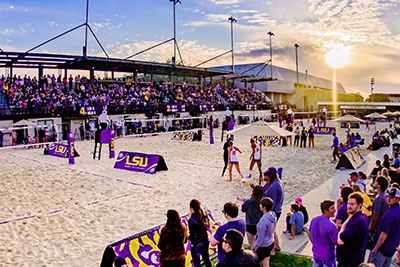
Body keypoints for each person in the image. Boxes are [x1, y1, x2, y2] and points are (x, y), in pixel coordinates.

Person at [337, 192, 369, 267]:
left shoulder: (356, 221)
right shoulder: (363, 216)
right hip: (357, 259)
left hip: (349, 261)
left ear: (360, 205)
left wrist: (342, 228)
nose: (349, 206)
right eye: (348, 203)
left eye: (352, 204)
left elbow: (340, 239)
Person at [370, 188, 400, 267]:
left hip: (382, 248)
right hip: (392, 248)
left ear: (397, 199)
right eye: (388, 197)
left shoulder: (390, 213)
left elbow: (384, 233)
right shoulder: (397, 210)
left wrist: (376, 248)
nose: (388, 199)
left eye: (391, 198)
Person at [309, 200, 338, 267]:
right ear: (325, 210)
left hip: (316, 253)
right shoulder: (332, 226)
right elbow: (335, 242)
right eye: (332, 208)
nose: (335, 210)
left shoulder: (314, 220)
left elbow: (310, 234)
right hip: (328, 256)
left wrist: (316, 244)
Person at [261, 167, 284, 251]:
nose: (264, 176)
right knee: (272, 230)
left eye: (266, 175)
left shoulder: (274, 186)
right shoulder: (274, 182)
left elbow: (271, 201)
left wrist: (267, 212)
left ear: (270, 175)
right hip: (277, 209)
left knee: (269, 231)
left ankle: (272, 249)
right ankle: (276, 246)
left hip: (274, 210)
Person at [188, 199, 211, 267]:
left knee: (196, 263)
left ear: (191, 209)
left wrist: (188, 238)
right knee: (207, 259)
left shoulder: (191, 220)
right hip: (205, 240)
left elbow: (193, 234)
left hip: (196, 244)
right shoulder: (204, 215)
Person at [254, 197, 276, 267]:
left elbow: (261, 236)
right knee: (266, 263)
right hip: (270, 242)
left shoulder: (263, 221)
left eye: (261, 204)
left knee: (254, 263)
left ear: (264, 207)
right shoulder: (273, 215)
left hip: (263, 246)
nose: (259, 205)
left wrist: (256, 247)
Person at [370, 176, 389, 241]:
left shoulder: (379, 198)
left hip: (377, 228)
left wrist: (370, 229)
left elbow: (375, 215)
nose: (374, 182)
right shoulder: (384, 196)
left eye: (375, 181)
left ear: (379, 185)